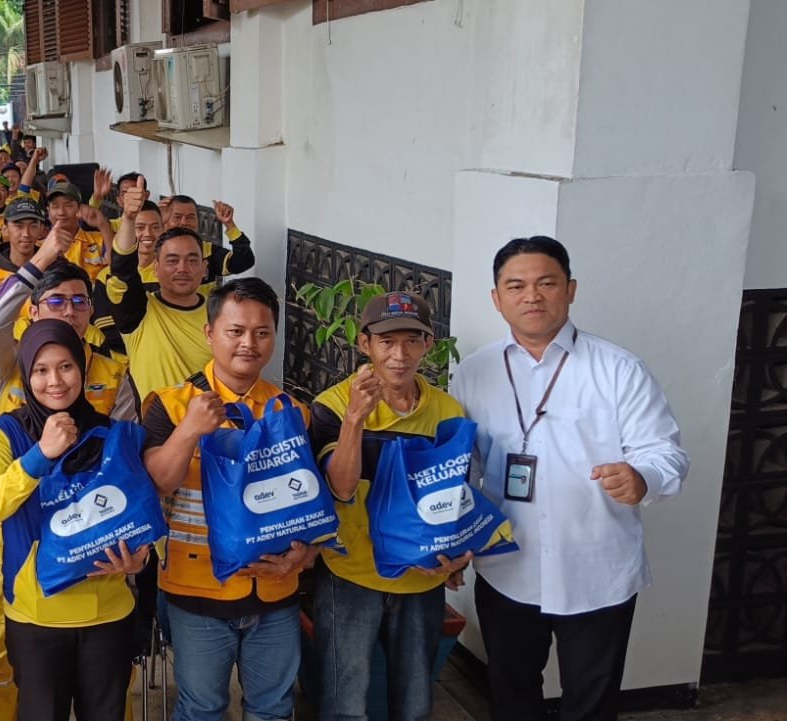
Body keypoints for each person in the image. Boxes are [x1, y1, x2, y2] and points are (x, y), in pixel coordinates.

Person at [450, 236, 689, 721]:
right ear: (497, 298)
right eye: (516, 286)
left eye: (546, 283)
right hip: (507, 567)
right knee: (512, 696)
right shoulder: (474, 373)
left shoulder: (618, 369)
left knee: (592, 703)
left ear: (570, 290)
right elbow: (464, 467)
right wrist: (454, 536)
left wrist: (642, 477)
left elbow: (665, 452)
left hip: (597, 568)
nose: (532, 296)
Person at [142, 279, 318, 721]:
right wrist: (189, 430)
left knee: (273, 709)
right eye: (235, 331)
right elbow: (157, 484)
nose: (248, 344)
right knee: (201, 708)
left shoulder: (292, 412)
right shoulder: (171, 405)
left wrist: (305, 553)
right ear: (209, 333)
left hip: (276, 591)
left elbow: (310, 504)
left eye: (262, 332)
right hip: (196, 593)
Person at [0, 319, 149, 721]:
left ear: (82, 370)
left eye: (66, 366)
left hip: (108, 612)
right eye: (41, 369)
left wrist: (140, 557)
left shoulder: (111, 433)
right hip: (36, 616)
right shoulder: (6, 433)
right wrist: (39, 456)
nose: (55, 380)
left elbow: (139, 509)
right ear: (26, 374)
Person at [308, 291, 471, 721]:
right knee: (345, 705)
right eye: (387, 342)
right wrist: (355, 420)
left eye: (412, 341)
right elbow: (341, 489)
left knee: (414, 706)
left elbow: (453, 499)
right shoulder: (332, 405)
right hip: (351, 575)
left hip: (421, 580)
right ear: (365, 344)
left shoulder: (448, 412)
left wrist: (457, 556)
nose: (400, 355)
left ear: (428, 344)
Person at [0, 230, 137, 420]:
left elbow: (124, 437)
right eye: (56, 302)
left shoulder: (115, 376)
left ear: (91, 310)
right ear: (34, 313)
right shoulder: (11, 362)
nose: (69, 311)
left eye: (79, 302)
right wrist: (41, 260)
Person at [111, 185, 214, 399]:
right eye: (172, 260)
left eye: (192, 260)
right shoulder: (138, 314)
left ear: (204, 268)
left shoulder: (220, 314)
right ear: (156, 268)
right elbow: (123, 270)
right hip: (157, 421)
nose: (182, 268)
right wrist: (128, 219)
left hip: (215, 418)